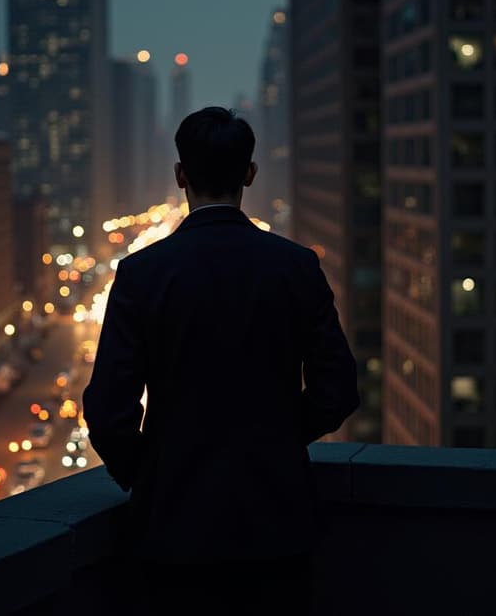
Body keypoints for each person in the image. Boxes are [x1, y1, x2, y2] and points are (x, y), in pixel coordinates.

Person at [82, 106, 359, 615]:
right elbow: (337, 389)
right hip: (278, 525)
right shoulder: (296, 267)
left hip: (174, 533)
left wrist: (152, 473)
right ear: (249, 174)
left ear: (181, 175)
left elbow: (107, 409)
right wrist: (274, 436)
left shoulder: (142, 273)